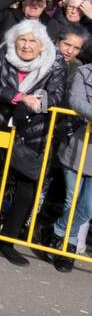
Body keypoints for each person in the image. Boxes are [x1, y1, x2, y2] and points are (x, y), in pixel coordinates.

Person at [0, 20, 66, 265]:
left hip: (33, 132)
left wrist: (38, 103)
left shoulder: (54, 61)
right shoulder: (3, 53)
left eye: (32, 41)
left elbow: (56, 94)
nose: (26, 45)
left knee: (26, 188)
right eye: (21, 40)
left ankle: (7, 240)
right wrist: (18, 97)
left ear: (42, 44)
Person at [49, 60, 92, 272]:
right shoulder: (85, 72)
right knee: (71, 199)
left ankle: (58, 229)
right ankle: (66, 246)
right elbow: (76, 102)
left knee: (88, 207)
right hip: (79, 146)